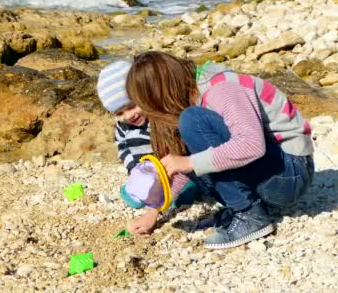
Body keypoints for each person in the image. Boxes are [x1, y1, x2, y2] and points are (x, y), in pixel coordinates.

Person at [125, 52, 315, 249]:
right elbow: (183, 161)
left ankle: (249, 214)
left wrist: (189, 162)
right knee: (187, 131)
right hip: (272, 173)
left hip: (289, 175)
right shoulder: (191, 96)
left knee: (191, 121)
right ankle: (243, 208)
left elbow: (252, 144)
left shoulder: (220, 88)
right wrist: (154, 211)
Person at [96, 60, 197, 209]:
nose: (128, 116)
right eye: (119, 113)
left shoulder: (160, 118)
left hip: (172, 172)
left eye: (131, 106)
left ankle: (183, 190)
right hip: (146, 170)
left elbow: (181, 148)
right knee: (135, 196)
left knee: (180, 195)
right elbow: (122, 145)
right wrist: (132, 168)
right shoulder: (124, 126)